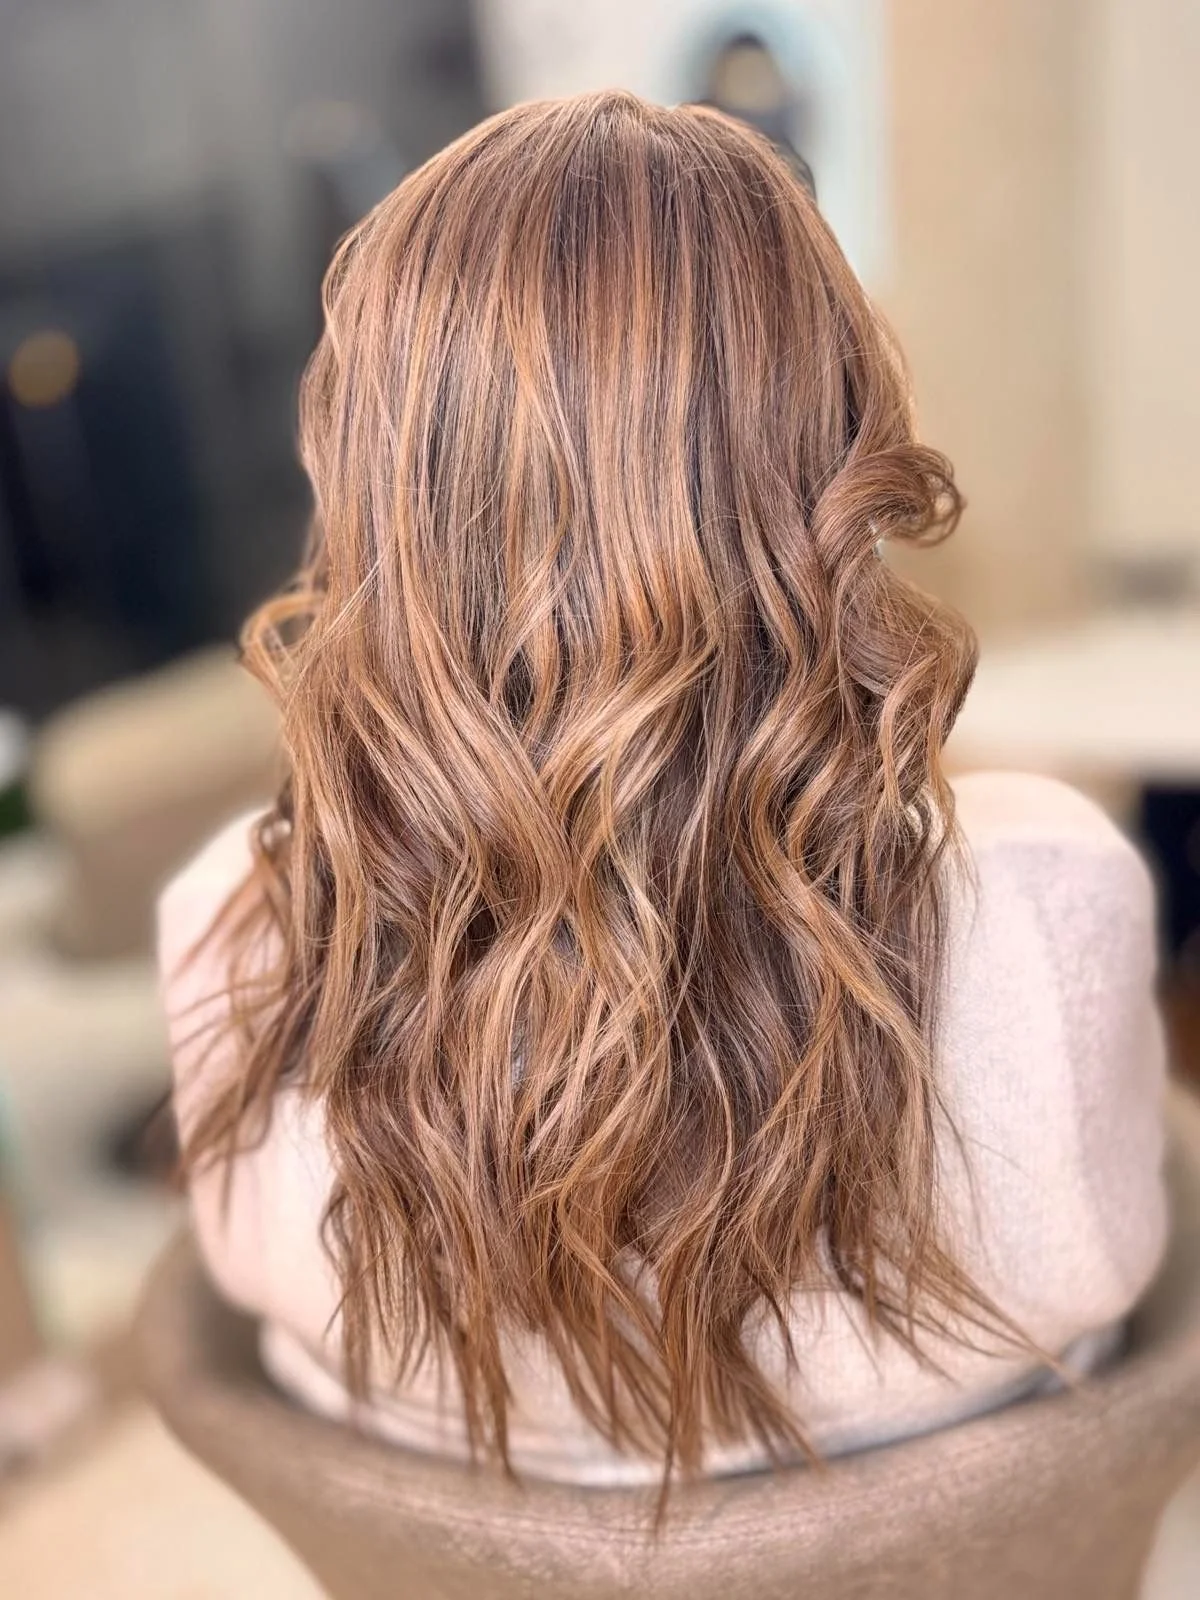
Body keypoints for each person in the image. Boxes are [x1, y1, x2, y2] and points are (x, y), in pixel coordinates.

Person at [159, 92, 1166, 1488]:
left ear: (376, 478)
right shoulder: (1048, 900)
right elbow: (1121, 1253)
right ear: (829, 449)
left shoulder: (223, 938)